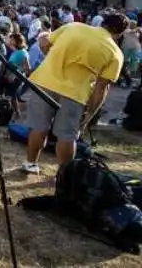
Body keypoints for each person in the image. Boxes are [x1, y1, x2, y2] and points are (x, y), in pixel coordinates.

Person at [22, 15, 127, 174]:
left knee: (38, 127)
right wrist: (90, 114)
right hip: (75, 93)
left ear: (102, 22)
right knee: (67, 136)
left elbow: (44, 42)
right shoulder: (116, 53)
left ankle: (30, 164)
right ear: (120, 34)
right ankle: (65, 176)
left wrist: (50, 56)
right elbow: (101, 88)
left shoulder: (73, 26)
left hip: (44, 83)